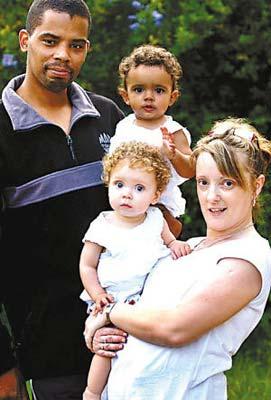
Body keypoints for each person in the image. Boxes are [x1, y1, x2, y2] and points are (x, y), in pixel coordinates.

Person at [84, 117, 271, 400]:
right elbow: (133, 303)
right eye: (203, 182)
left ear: (256, 186)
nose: (211, 196)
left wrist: (109, 313)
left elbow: (174, 329)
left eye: (228, 183)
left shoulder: (250, 256)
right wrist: (99, 334)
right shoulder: (186, 247)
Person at [0, 0, 124, 398]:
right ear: (25, 41)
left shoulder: (110, 118)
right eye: (49, 41)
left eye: (76, 45)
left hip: (132, 332)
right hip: (52, 350)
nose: (62, 55)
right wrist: (2, 361)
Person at [79, 141, 191, 400]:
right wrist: (97, 295)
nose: (127, 194)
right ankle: (92, 392)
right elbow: (87, 265)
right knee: (108, 347)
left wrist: (177, 246)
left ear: (155, 195)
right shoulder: (102, 225)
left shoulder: (155, 218)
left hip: (147, 298)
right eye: (119, 185)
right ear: (109, 183)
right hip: (112, 299)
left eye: (139, 188)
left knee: (141, 351)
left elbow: (170, 241)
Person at [110, 44, 195, 238]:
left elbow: (191, 169)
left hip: (160, 208)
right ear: (125, 96)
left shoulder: (173, 131)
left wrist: (173, 154)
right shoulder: (123, 127)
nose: (148, 97)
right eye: (139, 90)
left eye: (159, 90)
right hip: (125, 204)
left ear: (172, 97)